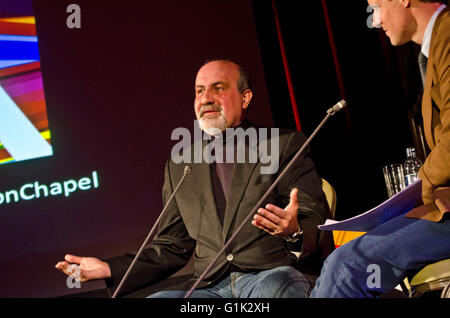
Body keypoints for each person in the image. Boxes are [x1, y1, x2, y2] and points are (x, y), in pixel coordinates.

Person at [55, 59, 332, 298]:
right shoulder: (180, 164)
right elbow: (172, 245)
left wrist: (294, 229)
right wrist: (108, 268)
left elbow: (311, 214)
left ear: (245, 98)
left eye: (218, 88)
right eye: (199, 91)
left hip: (269, 275)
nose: (206, 98)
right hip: (210, 289)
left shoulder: (282, 144)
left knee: (276, 288)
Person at [310, 0, 450, 297]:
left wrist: (417, 196)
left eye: (376, 7)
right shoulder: (435, 45)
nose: (374, 21)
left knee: (347, 266)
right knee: (340, 259)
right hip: (442, 208)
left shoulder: (448, 34)